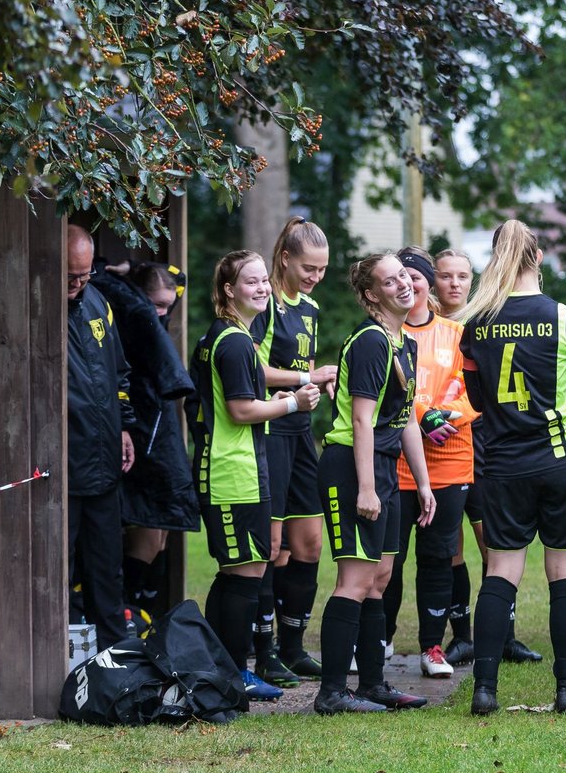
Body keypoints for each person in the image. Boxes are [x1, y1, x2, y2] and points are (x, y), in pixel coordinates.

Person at [458, 219, 566, 716]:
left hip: (502, 464)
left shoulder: (476, 324)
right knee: (565, 572)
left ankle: (484, 689)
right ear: (537, 258)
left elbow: (475, 398)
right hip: (561, 460)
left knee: (501, 571)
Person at [187, 250, 320, 703]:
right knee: (243, 575)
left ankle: (222, 667)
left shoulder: (227, 336)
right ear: (228, 290)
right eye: (251, 282)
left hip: (241, 470)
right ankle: (233, 672)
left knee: (239, 573)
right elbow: (240, 409)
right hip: (230, 472)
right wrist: (293, 403)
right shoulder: (235, 341)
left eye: (265, 280)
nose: (262, 288)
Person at [313, 253, 437, 714]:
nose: (403, 284)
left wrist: (421, 483)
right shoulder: (370, 341)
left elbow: (404, 420)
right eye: (390, 281)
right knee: (355, 578)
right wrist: (366, 488)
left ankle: (372, 684)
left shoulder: (403, 341)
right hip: (351, 465)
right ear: (371, 295)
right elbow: (362, 421)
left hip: (383, 468)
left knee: (380, 577)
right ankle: (331, 693)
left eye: (404, 276)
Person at [433, 249, 543, 667]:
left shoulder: (485, 321)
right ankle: (462, 635)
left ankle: (505, 635)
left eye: (463, 275)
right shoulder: (427, 329)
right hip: (442, 447)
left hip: (487, 444)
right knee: (451, 547)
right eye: (446, 276)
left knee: (493, 545)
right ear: (434, 281)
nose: (455, 284)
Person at [249, 217, 339, 687]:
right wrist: (306, 378)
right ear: (284, 259)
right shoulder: (265, 306)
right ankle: (263, 656)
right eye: (308, 268)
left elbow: (301, 366)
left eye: (322, 270)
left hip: (303, 431)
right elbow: (256, 370)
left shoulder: (310, 308)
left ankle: (294, 647)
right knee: (273, 547)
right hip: (272, 432)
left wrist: (316, 381)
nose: (315, 277)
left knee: (309, 543)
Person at [383, 248, 476, 678]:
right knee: (390, 557)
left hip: (449, 461)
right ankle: (380, 640)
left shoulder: (458, 333)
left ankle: (431, 647)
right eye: (400, 278)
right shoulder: (383, 336)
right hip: (397, 463)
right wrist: (421, 419)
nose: (409, 285)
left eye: (416, 277)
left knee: (439, 555)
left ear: (427, 283)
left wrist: (449, 416)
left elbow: (476, 391)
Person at [91, 262, 198, 624]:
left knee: (163, 533)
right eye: (155, 304)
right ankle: (131, 608)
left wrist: (135, 267)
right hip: (140, 434)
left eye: (168, 305)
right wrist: (119, 275)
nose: (162, 312)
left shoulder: (155, 313)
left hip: (161, 432)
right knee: (148, 530)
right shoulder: (129, 319)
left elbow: (179, 280)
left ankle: (146, 612)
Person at [66, 225, 137, 650]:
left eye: (84, 273)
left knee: (107, 564)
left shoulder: (97, 302)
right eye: (69, 275)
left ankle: (116, 652)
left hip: (105, 455)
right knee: (61, 567)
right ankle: (65, 651)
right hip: (61, 465)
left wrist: (125, 426)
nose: (77, 283)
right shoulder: (39, 304)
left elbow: (120, 372)